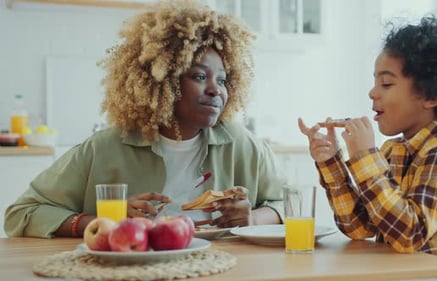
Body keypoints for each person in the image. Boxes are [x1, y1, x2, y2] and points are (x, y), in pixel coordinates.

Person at [4, 0, 286, 238]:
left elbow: (290, 203)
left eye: (222, 80)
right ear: (161, 80)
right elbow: (22, 213)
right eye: (200, 76)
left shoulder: (242, 145)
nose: (216, 89)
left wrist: (254, 218)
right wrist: (103, 222)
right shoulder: (104, 149)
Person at [298, 17, 437, 280]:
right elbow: (358, 227)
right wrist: (332, 163)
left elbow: (409, 234)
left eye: (387, 84)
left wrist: (365, 158)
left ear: (431, 96)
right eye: (375, 82)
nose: (372, 93)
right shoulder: (395, 151)